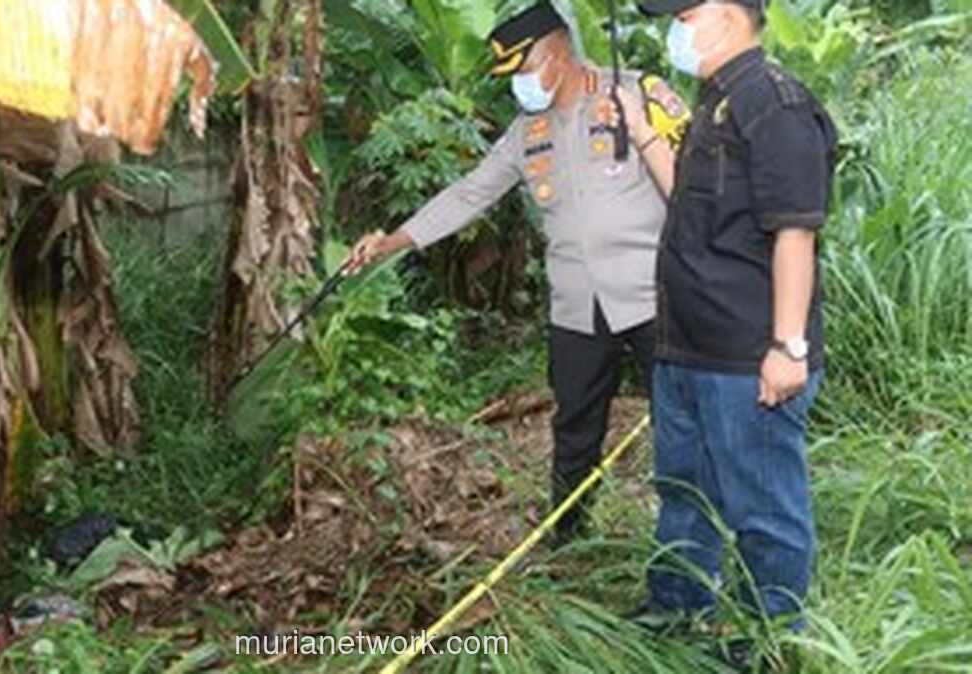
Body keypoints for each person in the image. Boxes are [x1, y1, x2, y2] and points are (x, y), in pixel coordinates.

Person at [344, 2, 689, 544]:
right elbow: (470, 193)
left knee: (681, 422)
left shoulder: (635, 93)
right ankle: (567, 534)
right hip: (578, 306)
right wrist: (394, 240)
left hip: (654, 295)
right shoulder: (527, 132)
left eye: (523, 69)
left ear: (557, 53)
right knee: (574, 426)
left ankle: (688, 544)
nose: (519, 85)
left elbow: (694, 181)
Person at [624, 0, 839, 648]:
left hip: (748, 355)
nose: (675, 32)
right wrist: (643, 131)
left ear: (726, 14)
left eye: (684, 18)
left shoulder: (775, 105)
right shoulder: (715, 101)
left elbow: (795, 231)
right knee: (683, 490)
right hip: (688, 344)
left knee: (764, 509)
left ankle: (764, 638)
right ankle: (676, 603)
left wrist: (787, 346)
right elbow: (690, 203)